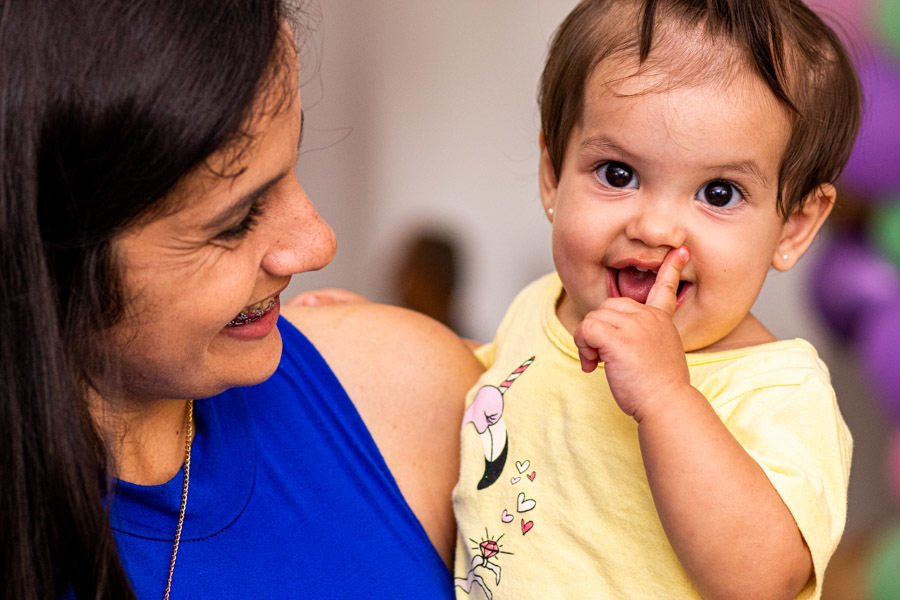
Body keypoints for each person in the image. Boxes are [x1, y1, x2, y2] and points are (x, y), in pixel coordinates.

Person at [0, 1, 482, 598]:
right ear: (43, 251)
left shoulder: (409, 395)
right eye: (235, 220)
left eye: (294, 160)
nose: (317, 243)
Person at [452, 1, 860, 599]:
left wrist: (667, 397)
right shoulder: (546, 306)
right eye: (618, 174)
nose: (657, 227)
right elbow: (492, 385)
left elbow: (763, 579)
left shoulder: (778, 390)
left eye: (718, 193)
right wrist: (382, 339)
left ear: (794, 225)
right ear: (552, 174)